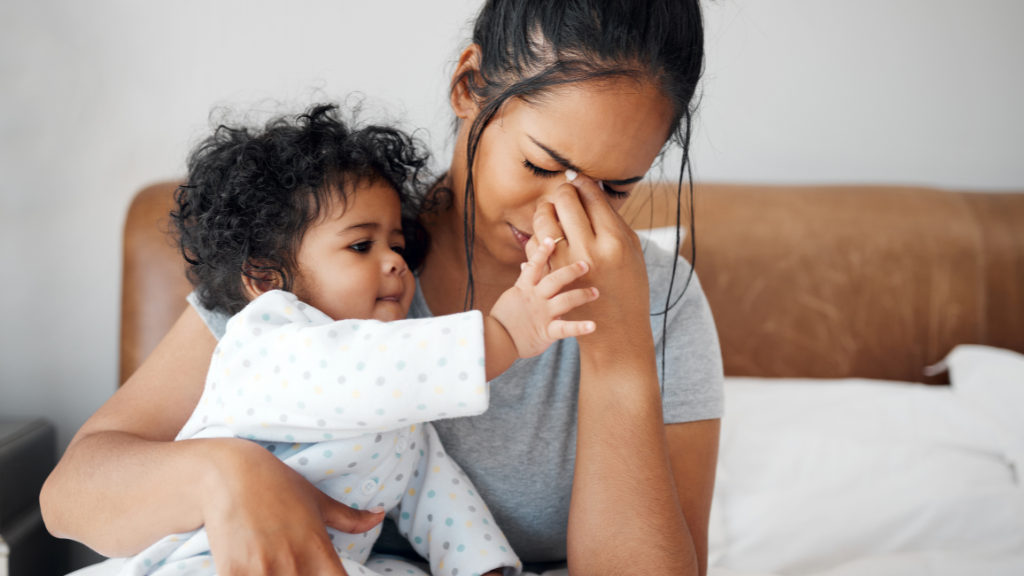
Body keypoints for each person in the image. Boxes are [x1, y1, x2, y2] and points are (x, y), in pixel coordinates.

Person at [41, 1, 723, 575]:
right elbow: (72, 496)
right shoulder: (331, 256)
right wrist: (224, 475)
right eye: (541, 165)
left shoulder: (661, 301)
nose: (563, 215)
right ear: (468, 85)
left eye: (615, 189)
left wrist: (621, 344)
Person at [117, 104, 601, 576]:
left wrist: (482, 565)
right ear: (266, 278)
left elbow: (437, 495)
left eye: (396, 245)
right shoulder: (265, 341)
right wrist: (503, 335)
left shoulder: (402, 418)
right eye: (360, 246)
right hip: (210, 560)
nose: (393, 261)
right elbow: (364, 368)